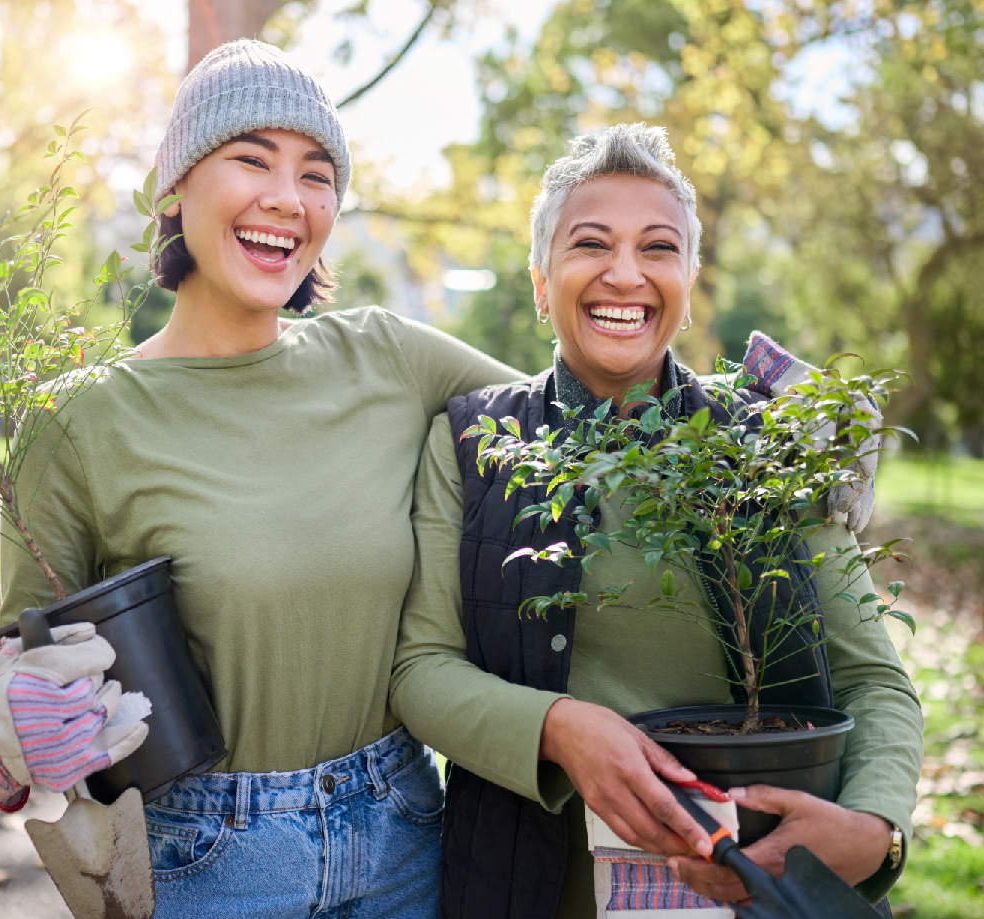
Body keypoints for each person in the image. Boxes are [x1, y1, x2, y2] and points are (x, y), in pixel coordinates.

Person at [0, 41, 867, 919]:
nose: (287, 197)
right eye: (252, 159)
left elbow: (593, 414)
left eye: (317, 175)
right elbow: (28, 671)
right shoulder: (77, 420)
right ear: (175, 186)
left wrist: (790, 437)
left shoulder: (389, 356)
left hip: (409, 838)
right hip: (207, 858)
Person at [388, 123, 924, 919]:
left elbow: (871, 676)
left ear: (691, 277)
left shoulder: (773, 444)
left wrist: (877, 826)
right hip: (528, 886)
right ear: (542, 282)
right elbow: (420, 668)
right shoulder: (471, 444)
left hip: (764, 886)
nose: (625, 274)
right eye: (590, 244)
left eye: (659, 247)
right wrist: (559, 727)